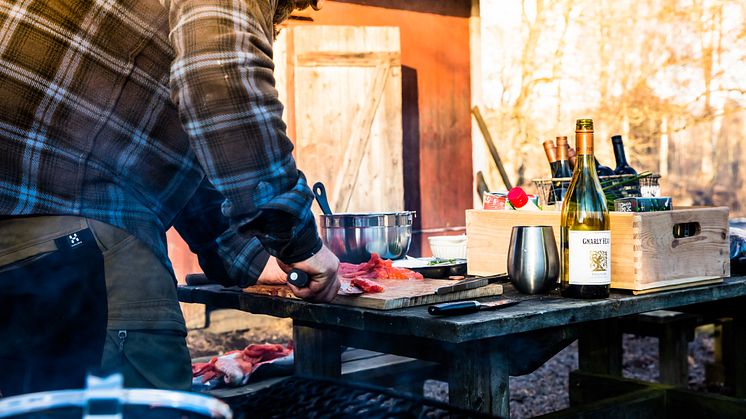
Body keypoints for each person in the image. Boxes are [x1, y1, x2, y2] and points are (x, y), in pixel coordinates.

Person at [0, 0, 338, 397]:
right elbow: (217, 76)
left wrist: (258, 258)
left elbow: (185, 166)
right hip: (86, 256)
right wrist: (296, 239)